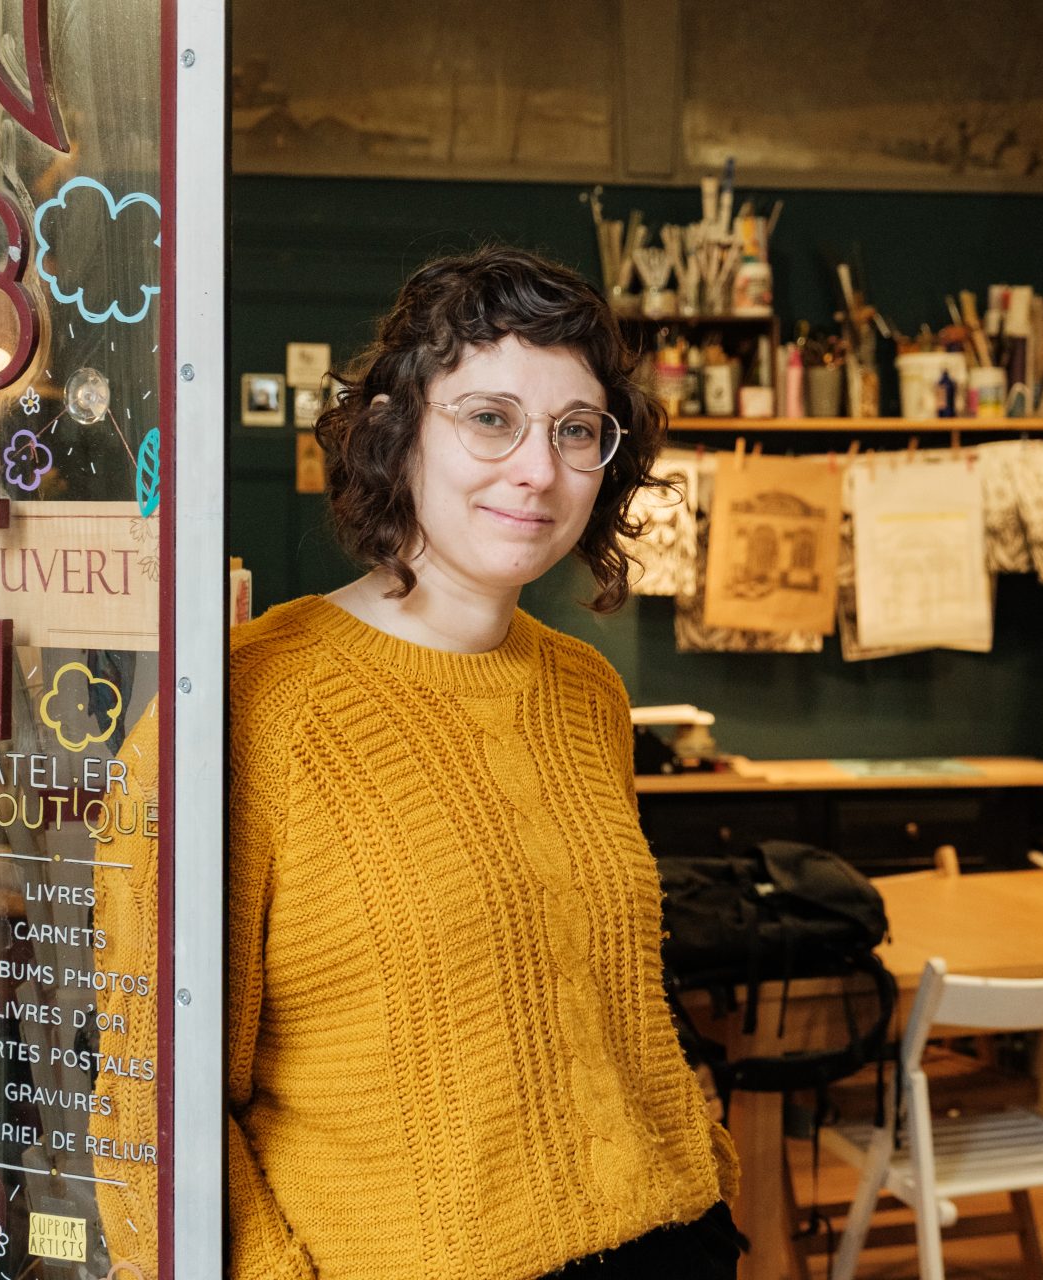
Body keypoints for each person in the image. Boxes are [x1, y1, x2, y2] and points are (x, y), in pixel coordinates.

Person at [227, 246, 740, 1279]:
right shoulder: (255, 702)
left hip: (669, 1238)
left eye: (575, 430)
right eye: (490, 417)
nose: (538, 470)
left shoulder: (586, 691)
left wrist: (705, 1157)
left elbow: (603, 1005)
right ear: (396, 430)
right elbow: (153, 1079)